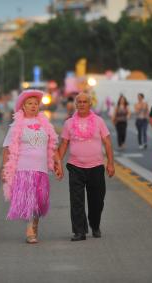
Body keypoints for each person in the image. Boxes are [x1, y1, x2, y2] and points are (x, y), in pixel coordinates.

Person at [2, 90, 62, 244]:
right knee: (29, 200)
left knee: (41, 200)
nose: (33, 106)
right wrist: (6, 170)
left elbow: (52, 146)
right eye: (30, 103)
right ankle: (30, 229)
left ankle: (34, 223)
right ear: (23, 106)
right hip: (23, 168)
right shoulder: (17, 125)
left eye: (36, 104)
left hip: (41, 169)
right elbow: (7, 148)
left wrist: (58, 163)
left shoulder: (45, 124)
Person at [58, 92, 115, 242]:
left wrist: (110, 163)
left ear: (90, 104)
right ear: (76, 105)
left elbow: (107, 143)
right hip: (75, 166)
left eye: (85, 102)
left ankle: (95, 224)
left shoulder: (98, 121)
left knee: (97, 201)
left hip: (96, 166)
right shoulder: (69, 123)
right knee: (76, 201)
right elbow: (64, 144)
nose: (82, 104)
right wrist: (58, 163)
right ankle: (79, 231)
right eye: (79, 102)